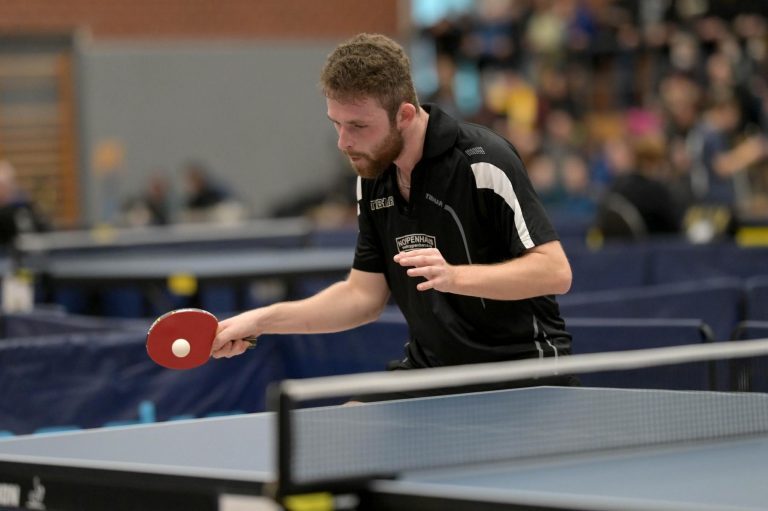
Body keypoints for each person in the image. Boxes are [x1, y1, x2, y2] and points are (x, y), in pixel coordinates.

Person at [213, 33, 575, 397]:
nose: (343, 142)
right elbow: (362, 297)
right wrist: (261, 320)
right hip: (431, 373)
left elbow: (555, 272)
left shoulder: (483, 163)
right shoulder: (372, 178)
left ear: (404, 115)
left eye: (358, 126)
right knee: (339, 429)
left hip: (521, 372)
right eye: (336, 123)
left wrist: (455, 277)